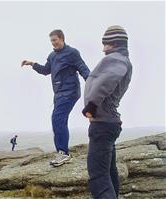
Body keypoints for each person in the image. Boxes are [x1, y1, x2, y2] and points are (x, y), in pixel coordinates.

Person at [21, 29, 90, 167]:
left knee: (57, 119)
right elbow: (46, 70)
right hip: (58, 94)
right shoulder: (52, 56)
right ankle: (61, 152)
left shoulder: (72, 53)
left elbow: (83, 69)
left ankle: (63, 153)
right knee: (58, 120)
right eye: (51, 41)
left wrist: (93, 83)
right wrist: (33, 64)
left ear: (62, 38)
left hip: (70, 92)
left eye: (55, 40)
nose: (53, 43)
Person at [82, 25, 133, 199]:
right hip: (108, 123)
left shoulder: (116, 59)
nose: (103, 49)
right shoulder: (121, 59)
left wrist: (92, 105)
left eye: (106, 44)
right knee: (109, 173)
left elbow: (108, 79)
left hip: (103, 124)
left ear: (116, 43)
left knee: (98, 177)